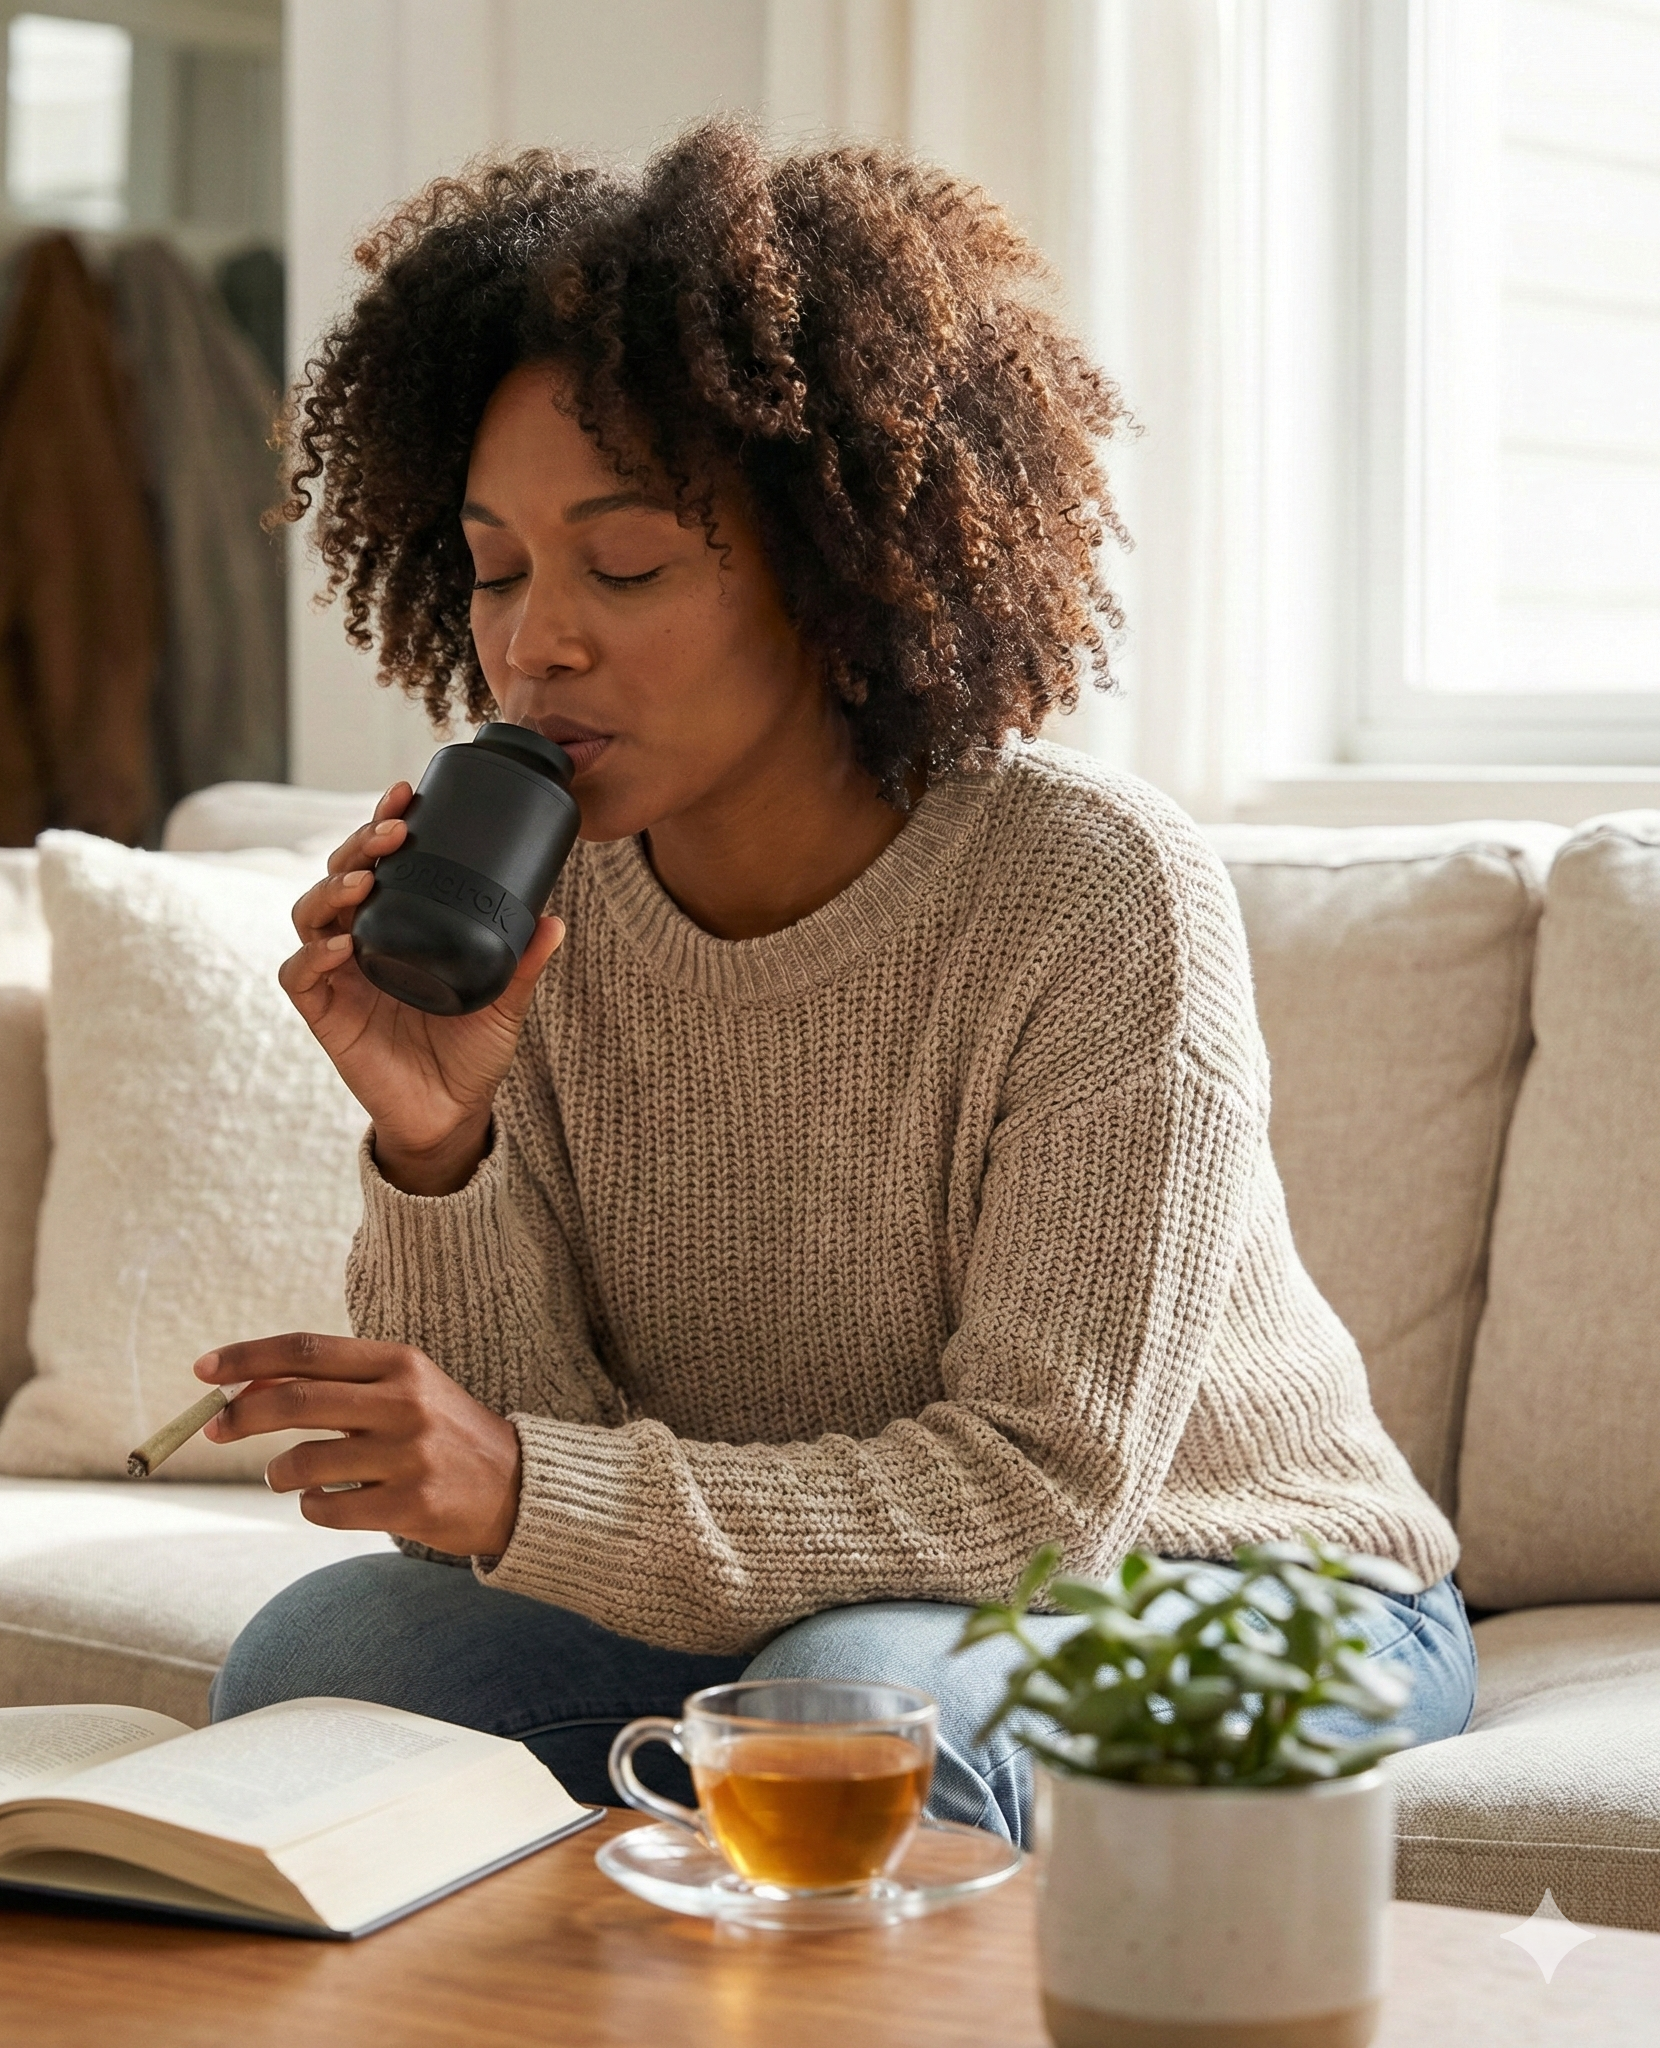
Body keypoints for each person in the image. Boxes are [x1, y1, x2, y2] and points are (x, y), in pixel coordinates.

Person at [201, 123, 1474, 1841]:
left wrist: (529, 1488)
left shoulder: (1091, 895)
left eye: (625, 563)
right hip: (806, 1608)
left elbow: (1043, 1503)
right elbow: (526, 1505)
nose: (534, 642)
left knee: (847, 1708)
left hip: (1235, 1578)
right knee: (321, 1665)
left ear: (827, 561)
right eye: (497, 568)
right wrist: (442, 1146)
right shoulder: (533, 894)